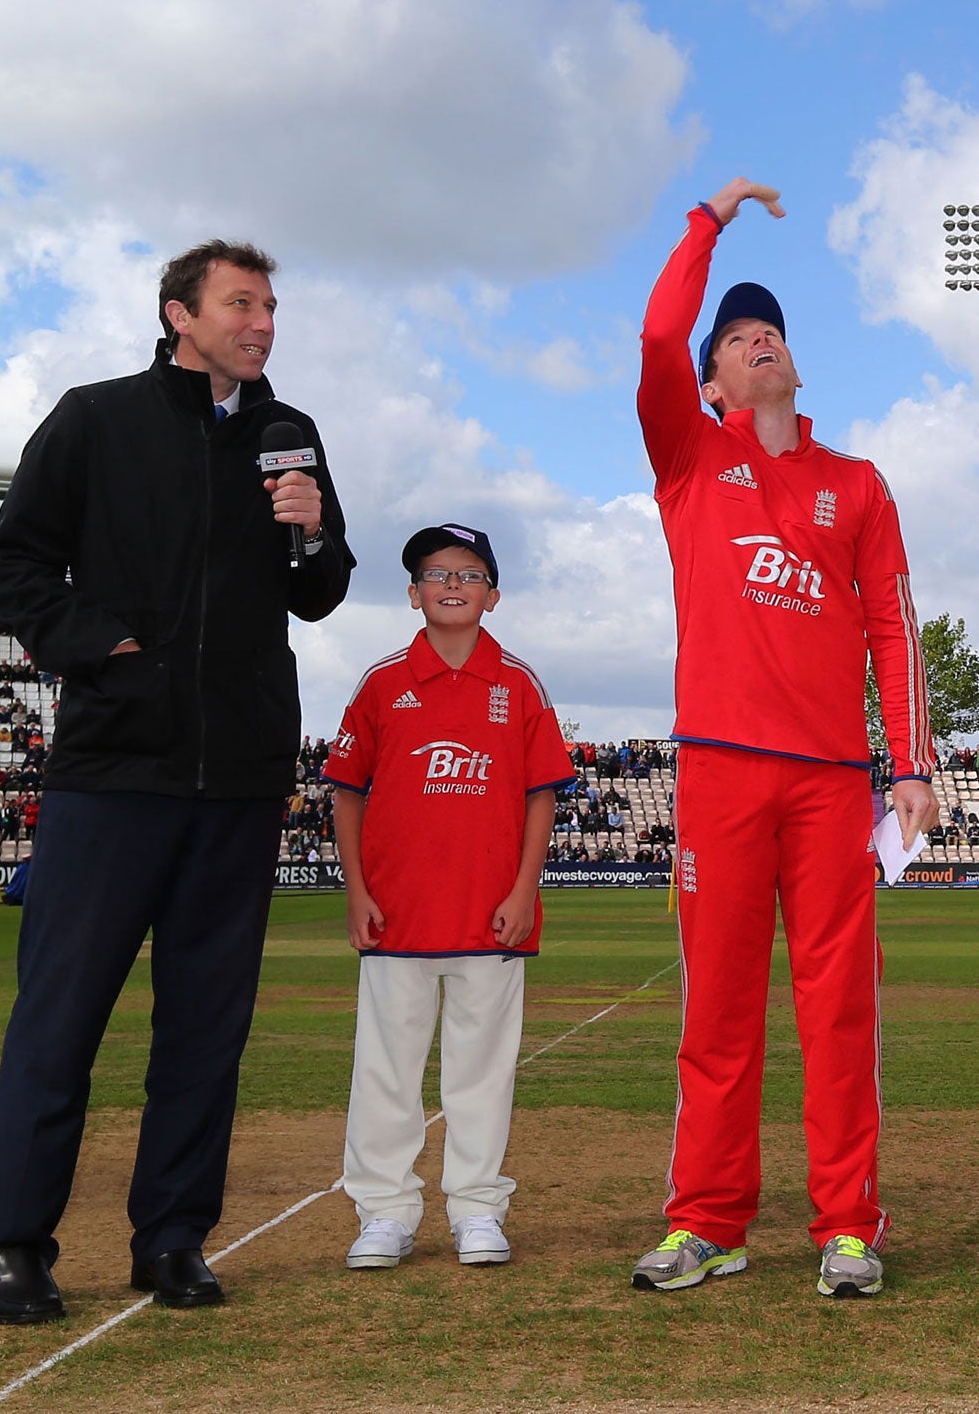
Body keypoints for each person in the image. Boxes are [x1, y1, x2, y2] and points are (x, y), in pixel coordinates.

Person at [0, 239, 354, 1324]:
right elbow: (14, 563)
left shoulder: (290, 434)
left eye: (270, 307)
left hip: (239, 780)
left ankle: (173, 1239)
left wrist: (312, 531)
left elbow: (321, 592)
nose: (262, 323)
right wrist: (108, 650)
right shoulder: (95, 418)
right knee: (59, 1023)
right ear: (181, 314)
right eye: (241, 304)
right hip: (113, 772)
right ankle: (11, 1249)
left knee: (205, 1033)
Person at [629, 178, 938, 1299]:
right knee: (717, 1014)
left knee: (837, 1012)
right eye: (736, 339)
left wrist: (911, 764)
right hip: (717, 769)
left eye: (772, 333)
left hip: (829, 787)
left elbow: (891, 625)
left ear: (796, 364)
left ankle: (847, 1226)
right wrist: (706, 223)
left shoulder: (854, 483)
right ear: (710, 382)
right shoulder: (688, 457)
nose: (759, 342)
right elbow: (658, 336)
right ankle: (707, 1221)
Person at [321, 524, 573, 1273]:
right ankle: (384, 1212)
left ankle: (476, 1209)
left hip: (491, 915)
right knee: (385, 1073)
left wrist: (524, 890)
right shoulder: (381, 682)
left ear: (493, 595)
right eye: (436, 573)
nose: (453, 585)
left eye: (469, 574)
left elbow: (541, 795)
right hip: (396, 915)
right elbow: (346, 792)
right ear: (412, 594)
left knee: (481, 1074)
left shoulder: (519, 683)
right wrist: (357, 892)